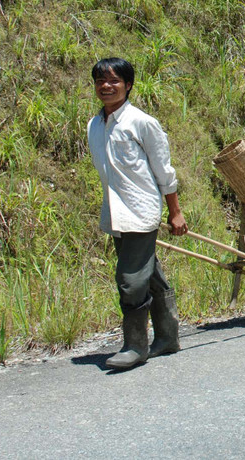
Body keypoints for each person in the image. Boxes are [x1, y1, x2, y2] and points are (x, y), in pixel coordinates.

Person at [87, 58, 186, 370]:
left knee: (130, 280)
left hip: (141, 212)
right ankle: (167, 337)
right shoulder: (94, 125)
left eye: (114, 81)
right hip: (116, 213)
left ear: (128, 85)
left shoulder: (142, 123)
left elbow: (163, 171)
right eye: (100, 81)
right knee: (148, 275)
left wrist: (175, 212)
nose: (106, 86)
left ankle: (135, 346)